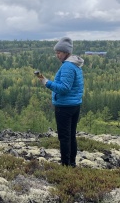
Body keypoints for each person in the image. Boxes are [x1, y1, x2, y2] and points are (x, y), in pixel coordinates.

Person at [38, 36, 84, 167]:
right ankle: (71, 163)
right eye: (56, 52)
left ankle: (65, 165)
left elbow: (64, 88)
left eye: (59, 52)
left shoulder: (68, 67)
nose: (57, 55)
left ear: (66, 52)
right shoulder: (75, 65)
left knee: (64, 137)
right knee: (70, 136)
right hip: (74, 105)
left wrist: (46, 82)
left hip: (65, 107)